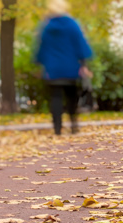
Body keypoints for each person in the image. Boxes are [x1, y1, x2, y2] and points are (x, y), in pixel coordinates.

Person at [35, 0, 92, 136]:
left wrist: (40, 63)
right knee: (72, 96)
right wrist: (84, 63)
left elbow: (41, 47)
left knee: (55, 97)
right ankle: (73, 125)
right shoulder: (72, 25)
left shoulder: (46, 26)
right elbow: (80, 44)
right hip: (70, 67)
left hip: (53, 68)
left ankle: (57, 129)